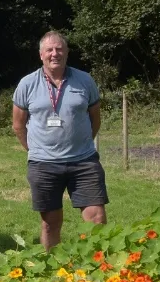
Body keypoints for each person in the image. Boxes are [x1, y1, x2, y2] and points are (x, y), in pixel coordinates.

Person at [11, 31, 108, 249]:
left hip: (84, 161)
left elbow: (95, 119)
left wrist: (82, 143)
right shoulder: (27, 84)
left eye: (59, 49)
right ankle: (54, 272)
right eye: (49, 50)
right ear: (41, 55)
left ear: (66, 52)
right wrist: (34, 149)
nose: (55, 54)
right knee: (49, 224)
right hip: (43, 164)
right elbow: (18, 124)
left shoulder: (85, 80)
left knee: (97, 220)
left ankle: (97, 271)